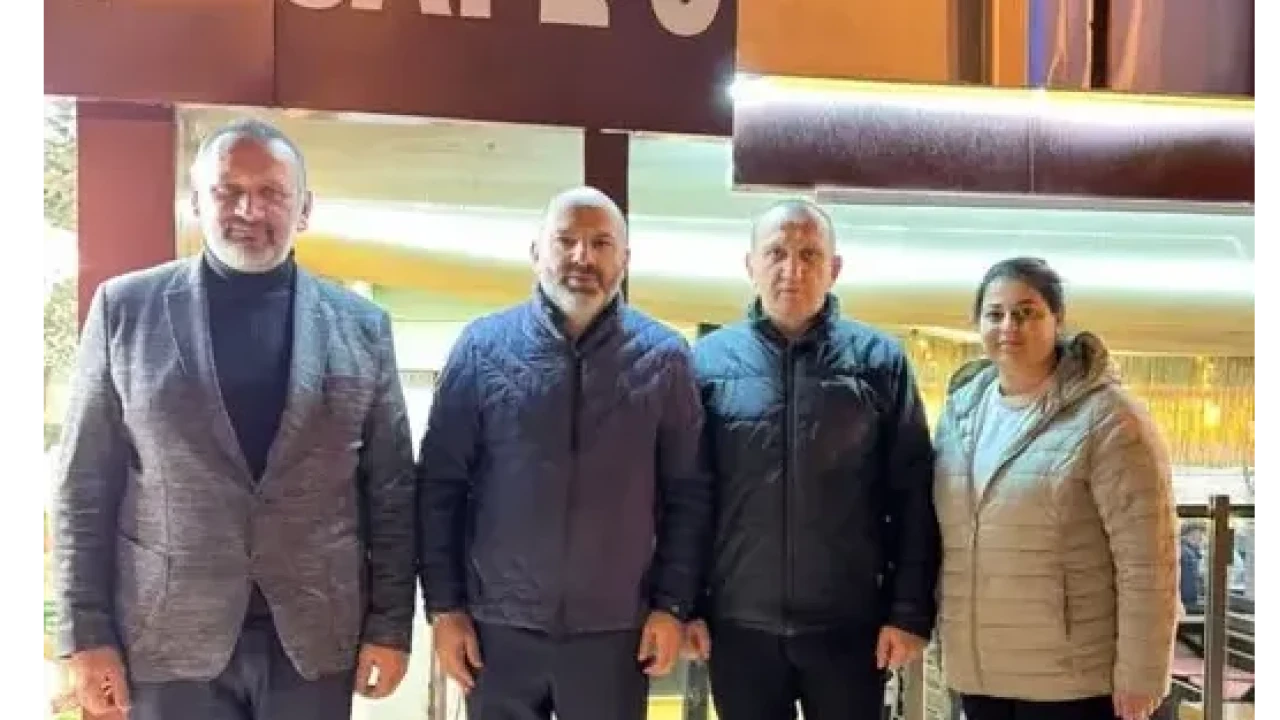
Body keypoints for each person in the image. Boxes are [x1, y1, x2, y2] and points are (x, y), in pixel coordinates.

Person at [52, 119, 417, 720]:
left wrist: (391, 625)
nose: (250, 209)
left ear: (304, 208)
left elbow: (392, 490)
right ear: (198, 203)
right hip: (165, 633)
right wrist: (84, 633)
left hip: (315, 636)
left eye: (272, 192)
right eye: (229, 192)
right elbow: (83, 485)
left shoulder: (362, 328)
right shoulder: (125, 310)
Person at [418, 186, 713, 720]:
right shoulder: (482, 349)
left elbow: (688, 495)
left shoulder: (665, 359)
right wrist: (445, 607)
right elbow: (440, 487)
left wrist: (672, 605)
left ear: (624, 259)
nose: (583, 257)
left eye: (601, 243)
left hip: (616, 633)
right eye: (567, 240)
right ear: (536, 253)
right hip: (497, 628)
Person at [685, 199, 939, 719]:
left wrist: (908, 611)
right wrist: (682, 605)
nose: (792, 269)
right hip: (739, 625)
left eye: (809, 254)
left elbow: (913, 496)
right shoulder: (705, 364)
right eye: (776, 253)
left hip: (850, 626)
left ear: (834, 268)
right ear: (750, 264)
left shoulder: (879, 362)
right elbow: (687, 496)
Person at [933, 257, 1179, 720]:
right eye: (995, 314)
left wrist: (1142, 675)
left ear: (1058, 319)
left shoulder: (1109, 418)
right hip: (982, 673)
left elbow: (1148, 559)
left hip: (1072, 679)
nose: (1009, 326)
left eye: (1026, 312)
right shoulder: (960, 415)